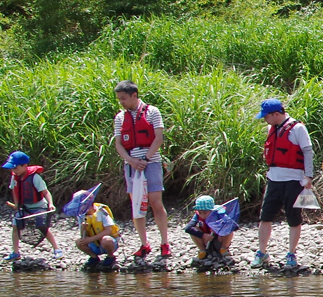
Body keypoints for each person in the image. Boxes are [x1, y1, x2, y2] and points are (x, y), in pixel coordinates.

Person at [114, 80, 172, 258]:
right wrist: (131, 160)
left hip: (151, 162)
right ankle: (143, 244)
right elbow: (118, 144)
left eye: (123, 98)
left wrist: (145, 159)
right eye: (119, 99)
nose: (121, 102)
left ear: (134, 95)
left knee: (156, 202)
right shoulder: (120, 117)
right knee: (137, 205)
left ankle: (164, 243)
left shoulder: (152, 112)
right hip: (131, 165)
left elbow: (158, 138)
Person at [255, 97, 314, 269]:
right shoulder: (270, 128)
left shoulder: (298, 128)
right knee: (265, 217)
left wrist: (308, 177)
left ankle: (291, 253)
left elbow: (307, 152)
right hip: (274, 179)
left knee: (294, 218)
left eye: (266, 116)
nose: (265, 119)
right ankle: (261, 252)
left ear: (275, 114)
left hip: (293, 181)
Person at [1, 150, 58, 259]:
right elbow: (14, 190)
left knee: (41, 226)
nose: (13, 170)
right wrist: (16, 203)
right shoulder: (15, 177)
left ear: (25, 166)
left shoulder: (35, 177)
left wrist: (51, 204)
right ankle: (16, 253)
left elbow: (45, 192)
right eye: (12, 168)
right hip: (24, 207)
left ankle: (56, 249)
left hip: (39, 206)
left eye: (15, 168)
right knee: (15, 226)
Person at [72, 189, 123, 270]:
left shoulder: (102, 211)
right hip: (94, 245)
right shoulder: (81, 215)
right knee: (78, 241)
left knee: (106, 239)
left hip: (108, 243)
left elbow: (108, 230)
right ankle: (94, 257)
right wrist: (83, 229)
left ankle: (110, 257)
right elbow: (83, 236)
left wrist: (90, 239)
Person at [184, 195, 234, 261]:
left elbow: (232, 225)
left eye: (205, 213)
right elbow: (187, 228)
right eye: (200, 212)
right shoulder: (197, 215)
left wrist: (218, 228)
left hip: (219, 240)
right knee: (194, 229)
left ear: (211, 210)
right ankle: (203, 251)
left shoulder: (219, 214)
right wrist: (203, 235)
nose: (202, 215)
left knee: (228, 229)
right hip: (206, 241)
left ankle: (223, 248)